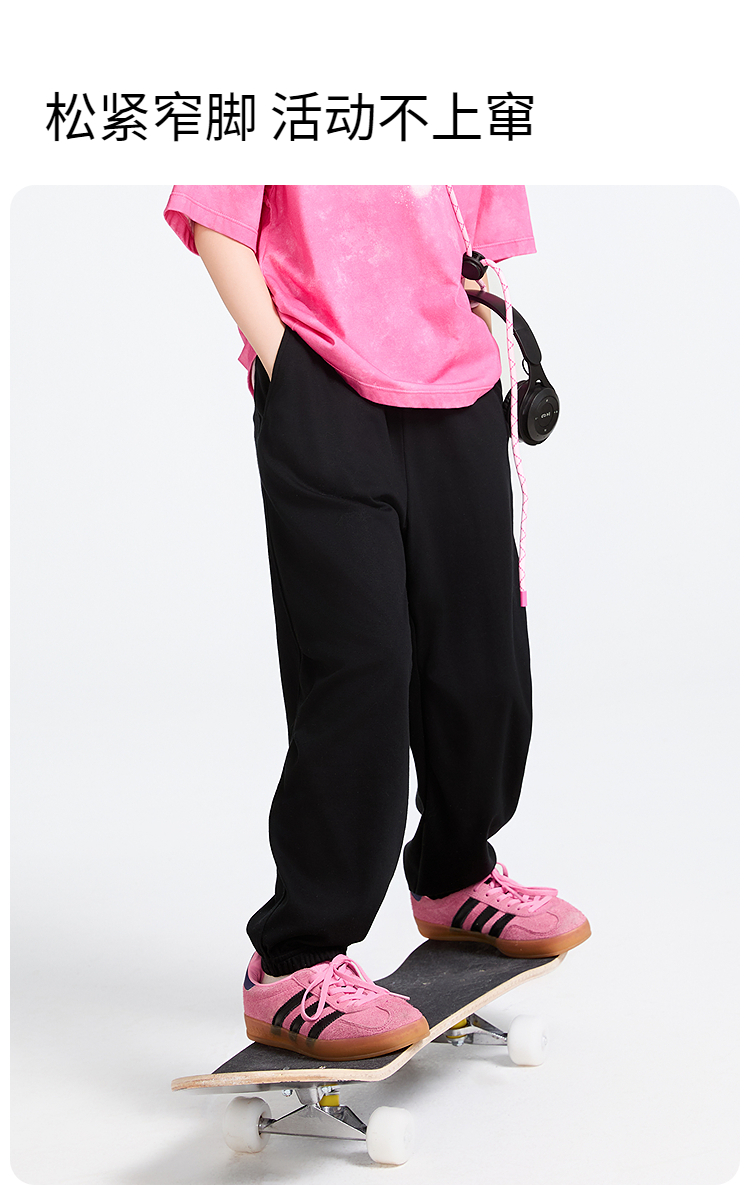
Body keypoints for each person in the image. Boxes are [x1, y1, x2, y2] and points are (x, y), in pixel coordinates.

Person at [164, 185, 590, 1062]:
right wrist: (285, 363)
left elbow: (477, 234)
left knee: (481, 654)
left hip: (459, 388)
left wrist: (487, 334)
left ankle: (457, 875)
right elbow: (215, 215)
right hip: (324, 377)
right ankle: (294, 959)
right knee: (360, 667)